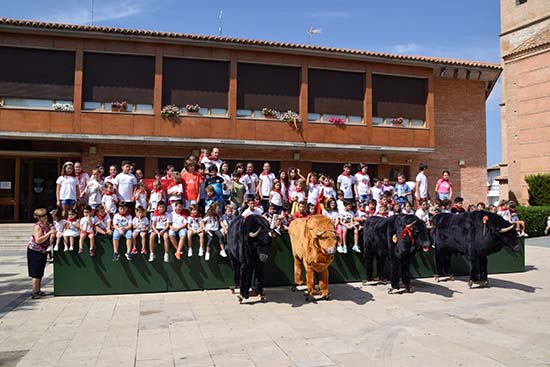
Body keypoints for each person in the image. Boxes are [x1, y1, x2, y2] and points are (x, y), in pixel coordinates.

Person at [27, 208, 54, 299]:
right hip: (35, 251)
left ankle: (38, 290)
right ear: (38, 217)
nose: (45, 217)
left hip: (43, 251)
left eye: (46, 215)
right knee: (35, 272)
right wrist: (49, 233)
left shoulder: (48, 225)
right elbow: (38, 240)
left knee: (40, 271)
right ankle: (34, 291)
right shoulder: (37, 226)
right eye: (42, 216)